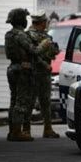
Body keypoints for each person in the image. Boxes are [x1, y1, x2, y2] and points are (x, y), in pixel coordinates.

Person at [4, 8, 51, 141]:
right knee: (21, 101)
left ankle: (12, 130)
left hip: (12, 68)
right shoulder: (21, 35)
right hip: (21, 70)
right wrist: (44, 45)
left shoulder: (9, 34)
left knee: (13, 101)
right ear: (20, 20)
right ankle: (17, 132)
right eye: (24, 18)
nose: (26, 21)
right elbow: (34, 51)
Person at [25, 10, 60, 138]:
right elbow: (32, 54)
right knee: (30, 101)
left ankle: (48, 128)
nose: (47, 24)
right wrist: (44, 64)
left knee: (45, 101)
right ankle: (26, 129)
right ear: (41, 22)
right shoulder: (29, 36)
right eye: (45, 22)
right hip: (34, 72)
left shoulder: (45, 35)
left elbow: (51, 51)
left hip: (44, 73)